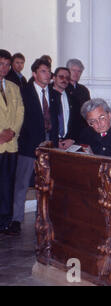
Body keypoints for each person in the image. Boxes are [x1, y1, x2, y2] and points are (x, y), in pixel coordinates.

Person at [8, 58, 60, 235]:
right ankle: (16, 219)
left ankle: (43, 216)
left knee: (45, 184)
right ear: (35, 73)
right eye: (44, 71)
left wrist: (55, 142)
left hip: (49, 147)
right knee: (22, 183)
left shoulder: (54, 94)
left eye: (48, 71)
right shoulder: (25, 92)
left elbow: (55, 121)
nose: (47, 74)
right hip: (28, 145)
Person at [0, 49, 24, 234]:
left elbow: (20, 112)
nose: (5, 68)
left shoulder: (13, 87)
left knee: (8, 183)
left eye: (7, 64)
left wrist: (12, 131)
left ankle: (6, 220)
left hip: (11, 143)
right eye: (1, 64)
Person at [51, 67, 84, 150]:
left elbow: (79, 123)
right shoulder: (46, 96)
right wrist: (54, 141)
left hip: (68, 145)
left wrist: (72, 139)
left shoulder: (73, 99)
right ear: (54, 78)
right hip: (49, 143)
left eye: (67, 78)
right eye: (61, 77)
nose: (64, 80)